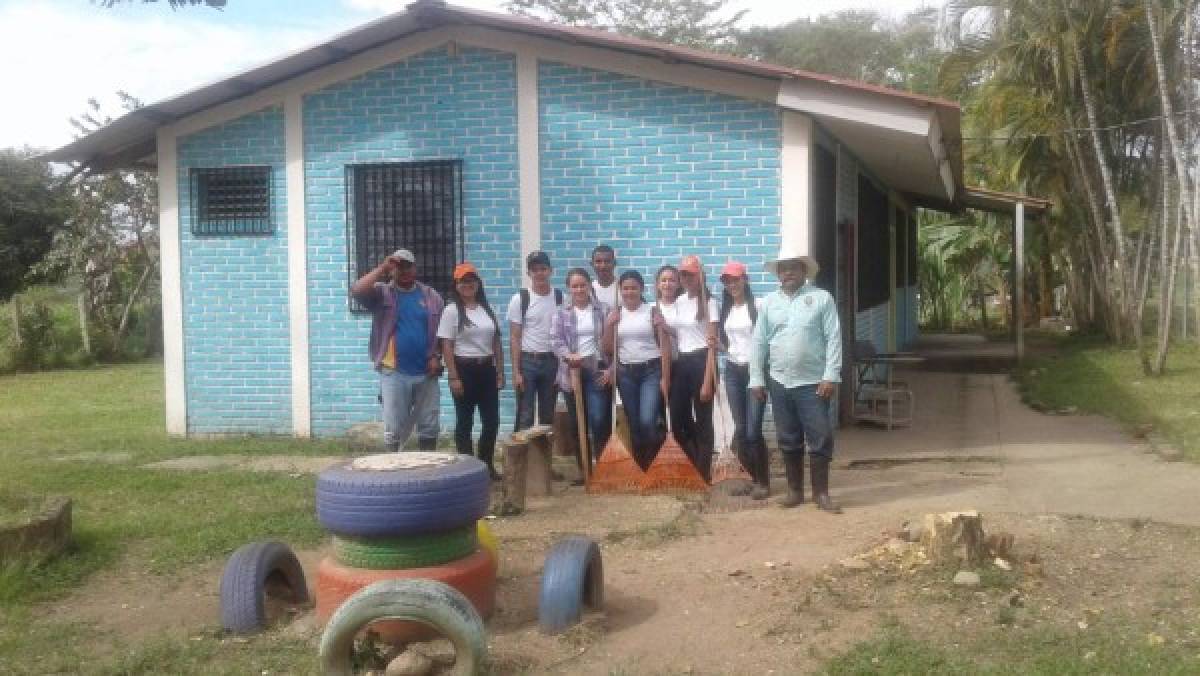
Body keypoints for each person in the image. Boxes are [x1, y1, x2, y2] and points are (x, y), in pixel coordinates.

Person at [748, 248, 843, 512]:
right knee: (788, 438)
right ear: (778, 273)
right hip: (779, 381)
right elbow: (758, 342)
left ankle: (821, 494)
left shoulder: (821, 298)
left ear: (804, 271)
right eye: (783, 268)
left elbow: (834, 338)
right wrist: (756, 377)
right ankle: (794, 491)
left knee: (820, 436)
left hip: (814, 382)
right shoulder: (769, 303)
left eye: (793, 267)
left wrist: (831, 375)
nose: (787, 272)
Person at [350, 248, 444, 452]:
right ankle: (393, 473)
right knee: (394, 427)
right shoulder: (382, 293)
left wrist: (436, 356)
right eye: (398, 266)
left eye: (407, 266)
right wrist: (382, 268)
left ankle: (427, 470)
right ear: (392, 270)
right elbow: (357, 290)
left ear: (415, 268)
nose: (404, 270)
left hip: (426, 372)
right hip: (394, 371)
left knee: (429, 425)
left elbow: (441, 332)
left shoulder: (431, 296)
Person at [438, 262, 504, 479]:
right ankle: (467, 469)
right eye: (463, 281)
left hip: (486, 370)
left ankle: (486, 465)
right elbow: (446, 345)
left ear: (478, 283)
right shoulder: (451, 311)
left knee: (492, 421)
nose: (468, 285)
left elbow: (496, 342)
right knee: (465, 421)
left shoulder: (488, 309)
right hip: (464, 370)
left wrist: (500, 372)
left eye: (471, 280)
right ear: (456, 285)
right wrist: (453, 376)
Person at [657, 257, 718, 482]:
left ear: (700, 275)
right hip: (682, 363)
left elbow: (712, 343)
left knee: (703, 419)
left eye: (690, 274)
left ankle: (703, 473)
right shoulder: (680, 301)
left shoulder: (709, 302)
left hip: (703, 361)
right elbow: (681, 334)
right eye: (683, 274)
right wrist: (664, 327)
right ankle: (692, 463)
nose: (686, 278)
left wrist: (708, 380)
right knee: (678, 415)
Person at [602, 270, 672, 470]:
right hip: (626, 374)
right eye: (625, 288)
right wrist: (609, 325)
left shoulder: (652, 312)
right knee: (634, 423)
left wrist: (665, 378)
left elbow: (665, 347)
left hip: (651, 371)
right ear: (620, 290)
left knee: (647, 420)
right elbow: (607, 348)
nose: (629, 292)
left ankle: (653, 462)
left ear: (641, 289)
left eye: (634, 288)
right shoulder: (616, 314)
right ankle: (641, 466)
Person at [717, 260, 769, 500]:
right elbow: (728, 345)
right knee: (740, 428)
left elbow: (767, 340)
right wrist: (718, 346)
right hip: (733, 371)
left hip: (754, 371)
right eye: (728, 281)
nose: (732, 285)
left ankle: (763, 482)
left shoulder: (757, 306)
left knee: (753, 430)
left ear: (745, 280)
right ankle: (748, 480)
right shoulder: (725, 309)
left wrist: (762, 371)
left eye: (736, 279)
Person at [552, 267, 613, 462]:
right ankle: (584, 469)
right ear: (569, 288)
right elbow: (555, 341)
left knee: (599, 419)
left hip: (597, 369)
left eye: (582, 285)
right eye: (574, 286)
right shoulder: (561, 313)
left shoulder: (603, 309)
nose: (579, 289)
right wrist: (568, 355)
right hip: (572, 372)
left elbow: (615, 342)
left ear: (589, 285)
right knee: (577, 422)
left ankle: (603, 466)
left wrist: (612, 369)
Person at [507, 250, 563, 432]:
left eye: (543, 268)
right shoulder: (520, 299)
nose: (539, 273)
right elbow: (515, 337)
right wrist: (516, 372)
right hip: (528, 361)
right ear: (528, 273)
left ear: (550, 271)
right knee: (525, 415)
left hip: (552, 362)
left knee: (548, 417)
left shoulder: (560, 298)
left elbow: (566, 335)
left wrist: (562, 368)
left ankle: (542, 460)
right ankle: (523, 459)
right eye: (534, 269)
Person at [590, 245, 618, 309]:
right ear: (592, 264)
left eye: (607, 261)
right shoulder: (587, 289)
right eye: (598, 261)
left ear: (614, 263)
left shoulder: (624, 288)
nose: (603, 266)